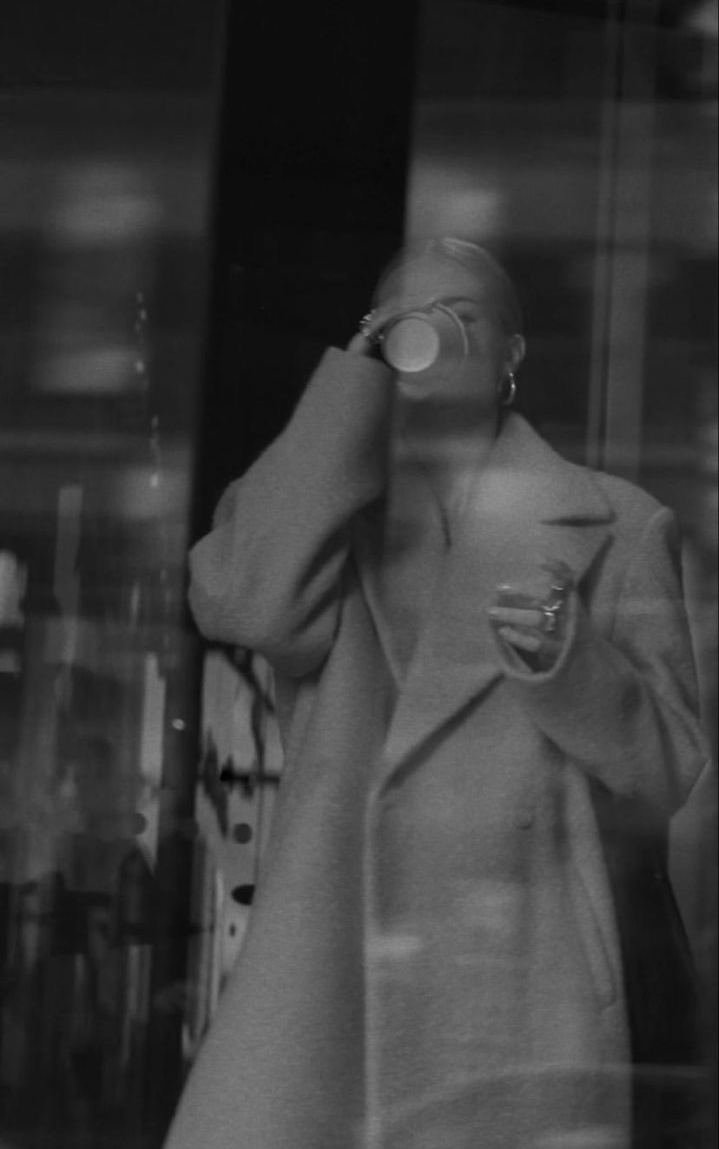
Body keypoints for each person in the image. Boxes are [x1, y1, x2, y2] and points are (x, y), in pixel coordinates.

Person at [165, 238, 708, 1149]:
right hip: (332, 957)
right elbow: (242, 604)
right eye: (411, 321)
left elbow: (667, 773)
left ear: (512, 354)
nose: (436, 339)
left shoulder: (617, 522)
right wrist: (352, 381)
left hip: (524, 966)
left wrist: (572, 667)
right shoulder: (323, 521)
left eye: (465, 318)